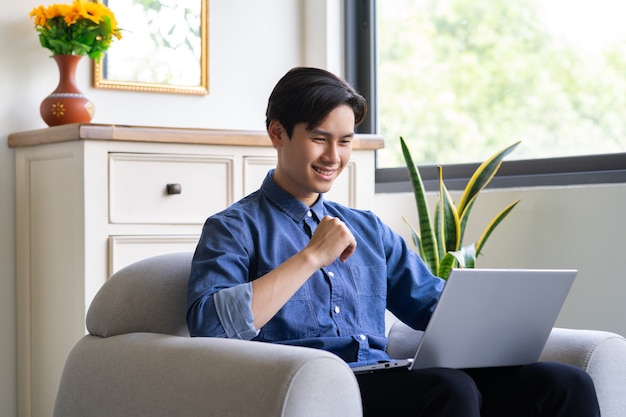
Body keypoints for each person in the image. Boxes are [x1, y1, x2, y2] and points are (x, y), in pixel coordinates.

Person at [186, 67, 600, 417]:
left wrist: (506, 320)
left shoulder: (368, 229)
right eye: (319, 138)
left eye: (345, 141)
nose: (334, 155)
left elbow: (432, 307)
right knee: (448, 390)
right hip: (317, 386)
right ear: (278, 133)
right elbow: (210, 327)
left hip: (385, 376)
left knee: (563, 383)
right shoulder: (234, 227)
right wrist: (313, 255)